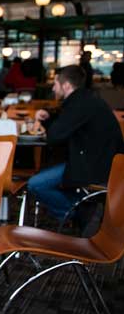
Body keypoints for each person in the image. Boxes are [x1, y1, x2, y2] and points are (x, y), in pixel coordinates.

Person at [28, 65, 124, 224]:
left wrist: (47, 121)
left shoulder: (79, 104)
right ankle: (85, 209)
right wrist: (49, 118)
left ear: (66, 86)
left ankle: (76, 212)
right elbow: (66, 127)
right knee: (52, 179)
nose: (53, 87)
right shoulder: (85, 99)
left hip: (95, 166)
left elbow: (55, 137)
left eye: (56, 84)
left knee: (35, 184)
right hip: (102, 162)